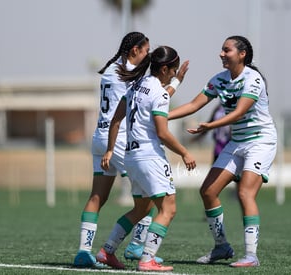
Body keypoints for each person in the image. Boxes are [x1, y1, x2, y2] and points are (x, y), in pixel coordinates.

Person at [73, 32, 188, 269]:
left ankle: (85, 251)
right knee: (150, 202)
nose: (148, 55)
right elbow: (155, 99)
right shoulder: (128, 77)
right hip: (123, 143)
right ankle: (138, 248)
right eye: (145, 50)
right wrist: (176, 82)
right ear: (134, 50)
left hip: (101, 138)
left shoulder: (111, 71)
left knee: (98, 197)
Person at [169, 35, 277, 268]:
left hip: (261, 142)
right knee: (208, 191)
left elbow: (238, 113)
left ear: (242, 54)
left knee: (245, 193)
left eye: (226, 50)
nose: (221, 54)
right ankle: (221, 246)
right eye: (221, 49)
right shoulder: (219, 80)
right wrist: (161, 116)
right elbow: (193, 105)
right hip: (236, 142)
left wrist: (209, 126)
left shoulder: (253, 79)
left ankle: (251, 256)